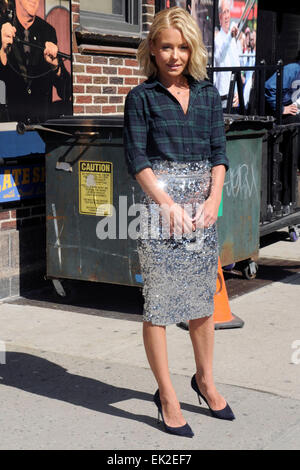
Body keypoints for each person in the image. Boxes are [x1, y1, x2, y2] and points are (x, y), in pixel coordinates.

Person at [123, 6, 234, 438]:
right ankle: (167, 395)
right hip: (159, 210)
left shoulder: (207, 94)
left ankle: (204, 381)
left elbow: (219, 152)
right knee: (159, 306)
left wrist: (215, 198)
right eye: (166, 46)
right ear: (152, 47)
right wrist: (167, 203)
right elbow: (137, 158)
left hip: (203, 211)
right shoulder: (142, 98)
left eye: (183, 47)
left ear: (192, 49)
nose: (174, 55)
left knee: (203, 305)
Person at [0, 0, 71, 123]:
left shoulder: (48, 31)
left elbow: (66, 92)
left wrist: (56, 67)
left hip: (41, 126)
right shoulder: (3, 28)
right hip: (9, 126)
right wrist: (3, 52)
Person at [214, 0, 240, 108]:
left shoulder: (233, 40)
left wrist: (238, 91)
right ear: (219, 16)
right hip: (223, 97)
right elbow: (219, 57)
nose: (226, 16)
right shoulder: (217, 39)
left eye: (228, 12)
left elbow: (237, 65)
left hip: (234, 95)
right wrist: (230, 36)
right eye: (224, 12)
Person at [265, 53, 300, 124]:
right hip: (278, 114)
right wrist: (281, 109)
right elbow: (270, 87)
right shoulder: (293, 69)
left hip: (292, 108)